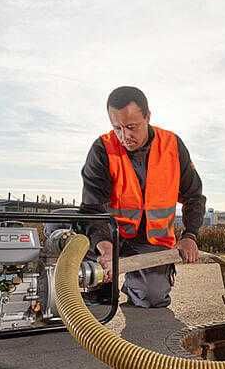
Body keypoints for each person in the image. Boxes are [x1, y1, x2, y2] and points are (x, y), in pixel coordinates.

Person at [80, 86, 206, 308]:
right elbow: (92, 209)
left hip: (150, 242)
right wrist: (104, 245)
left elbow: (194, 196)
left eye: (131, 127)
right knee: (60, 223)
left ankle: (134, 284)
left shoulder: (173, 146)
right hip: (111, 236)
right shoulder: (102, 149)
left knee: (153, 296)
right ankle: (101, 287)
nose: (124, 136)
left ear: (147, 116)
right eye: (117, 128)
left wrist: (190, 236)